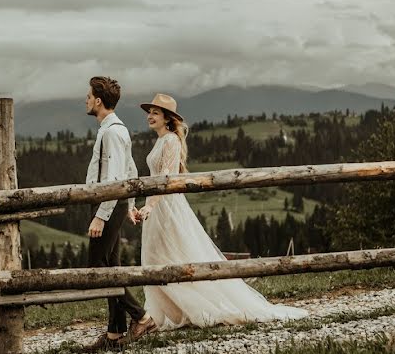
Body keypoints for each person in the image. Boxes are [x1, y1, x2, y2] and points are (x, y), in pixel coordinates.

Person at [127, 93, 307, 335]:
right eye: (149, 113)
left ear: (168, 119)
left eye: (155, 113)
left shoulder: (170, 141)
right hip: (155, 205)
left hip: (167, 206)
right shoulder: (160, 141)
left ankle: (190, 306)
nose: (150, 116)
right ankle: (167, 310)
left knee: (172, 254)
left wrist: (151, 205)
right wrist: (145, 205)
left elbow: (167, 180)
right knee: (156, 255)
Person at [82, 76, 157, 352]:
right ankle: (114, 333)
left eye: (89, 96)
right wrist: (129, 205)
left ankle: (142, 317)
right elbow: (131, 171)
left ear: (99, 100)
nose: (86, 100)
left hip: (107, 204)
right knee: (111, 269)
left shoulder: (111, 132)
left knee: (98, 268)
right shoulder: (117, 129)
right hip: (116, 204)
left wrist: (102, 215)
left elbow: (115, 176)